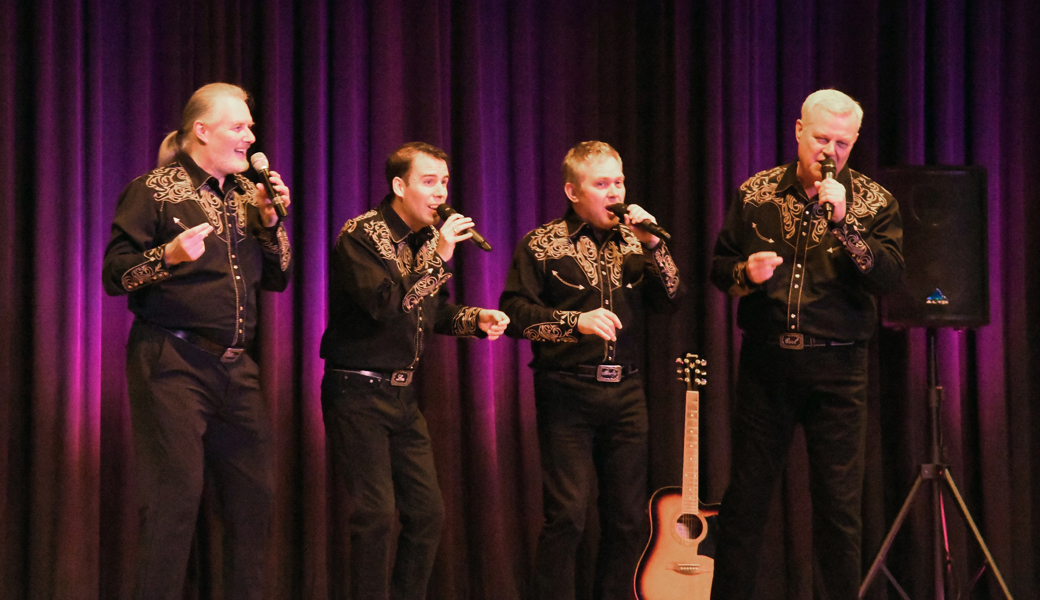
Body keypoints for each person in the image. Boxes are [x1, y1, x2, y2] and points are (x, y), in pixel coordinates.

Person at [709, 89, 904, 599]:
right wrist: (744, 275)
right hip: (766, 363)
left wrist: (846, 225)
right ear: (798, 130)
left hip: (839, 368)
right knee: (744, 504)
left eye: (841, 142)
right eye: (820, 138)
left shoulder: (875, 202)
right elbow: (718, 268)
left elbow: (888, 278)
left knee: (839, 512)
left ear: (855, 141)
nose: (829, 152)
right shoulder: (755, 193)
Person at [102, 83, 293, 600]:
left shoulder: (243, 197)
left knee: (255, 501)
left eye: (250, 127)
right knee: (174, 503)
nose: (251, 137)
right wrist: (167, 258)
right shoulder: (154, 189)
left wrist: (271, 221)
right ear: (201, 131)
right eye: (239, 127)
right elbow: (114, 275)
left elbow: (278, 279)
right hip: (172, 360)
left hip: (235, 369)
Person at [320, 141, 510, 600]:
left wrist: (474, 320)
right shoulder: (360, 236)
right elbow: (386, 304)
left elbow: (430, 310)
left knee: (427, 515)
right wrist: (439, 258)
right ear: (399, 186)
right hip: (357, 390)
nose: (441, 192)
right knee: (376, 514)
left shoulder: (426, 240)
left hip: (403, 397)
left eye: (444, 181)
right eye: (429, 182)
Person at [499, 140, 684, 600]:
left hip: (627, 394)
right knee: (568, 517)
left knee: (626, 521)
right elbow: (514, 314)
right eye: (601, 184)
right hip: (567, 392)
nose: (614, 192)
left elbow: (673, 300)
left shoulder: (635, 241)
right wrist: (572, 323)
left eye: (618, 182)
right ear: (573, 191)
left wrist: (655, 246)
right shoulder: (541, 244)